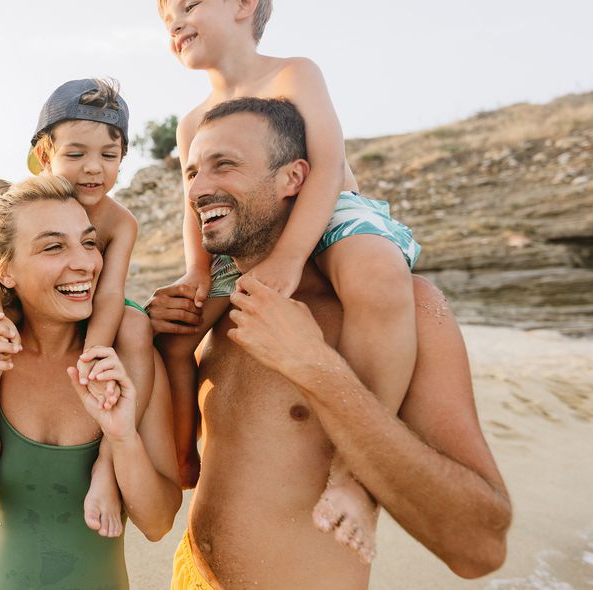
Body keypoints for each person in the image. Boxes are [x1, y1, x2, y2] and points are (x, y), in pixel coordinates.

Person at [145, 97, 511, 588]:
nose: (201, 189)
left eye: (224, 165)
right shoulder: (222, 309)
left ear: (293, 178)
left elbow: (480, 546)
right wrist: (163, 351)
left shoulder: (404, 310)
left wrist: (317, 367)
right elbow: (182, 471)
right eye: (192, 173)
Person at [154, 0, 421, 560]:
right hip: (243, 233)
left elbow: (325, 165)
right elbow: (194, 200)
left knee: (377, 274)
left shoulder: (293, 73)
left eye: (188, 4)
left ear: (244, 5)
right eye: (165, 15)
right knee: (167, 327)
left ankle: (355, 475)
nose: (174, 21)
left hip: (327, 214)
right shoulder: (190, 121)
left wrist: (292, 257)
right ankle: (182, 458)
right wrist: (198, 274)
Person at [0, 176, 180, 588]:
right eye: (54, 246)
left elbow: (158, 522)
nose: (85, 263)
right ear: (4, 272)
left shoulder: (127, 363)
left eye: (89, 243)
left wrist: (123, 437)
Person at [0, 79, 155, 540]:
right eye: (76, 154)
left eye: (109, 156)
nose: (92, 168)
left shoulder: (121, 222)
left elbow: (109, 293)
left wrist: (96, 351)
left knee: (137, 327)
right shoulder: (26, 204)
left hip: (94, 304)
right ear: (44, 157)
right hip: (35, 299)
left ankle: (107, 464)